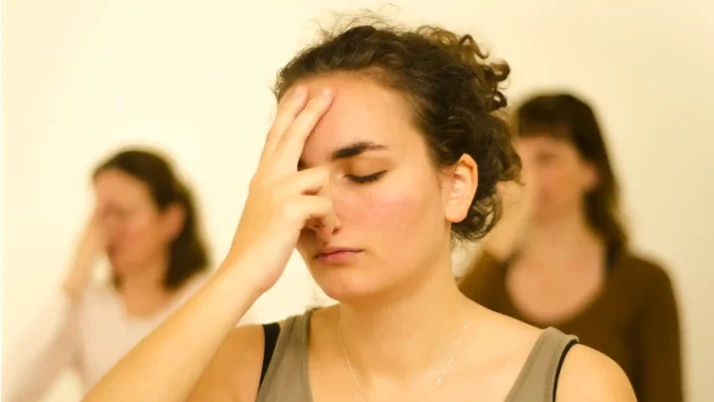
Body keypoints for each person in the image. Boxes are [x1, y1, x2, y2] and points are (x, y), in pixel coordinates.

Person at [83, 18, 637, 402]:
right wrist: (240, 270)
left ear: (456, 185)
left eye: (364, 174)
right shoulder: (243, 368)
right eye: (300, 178)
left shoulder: (575, 385)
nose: (321, 209)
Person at [458, 93, 683, 401]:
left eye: (547, 159)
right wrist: (496, 243)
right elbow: (446, 348)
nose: (528, 176)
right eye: (517, 161)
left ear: (591, 172)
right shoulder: (491, 275)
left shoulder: (646, 283)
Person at [3, 149, 218, 401]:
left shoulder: (211, 300)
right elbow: (10, 391)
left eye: (122, 213)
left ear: (172, 220)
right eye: (101, 214)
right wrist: (72, 283)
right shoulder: (87, 307)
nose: (108, 228)